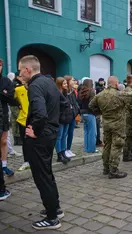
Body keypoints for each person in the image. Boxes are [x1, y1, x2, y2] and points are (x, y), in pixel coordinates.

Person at [18, 55, 63, 230]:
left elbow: (40, 113)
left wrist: (35, 131)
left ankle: (52, 218)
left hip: (41, 137)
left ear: (28, 69)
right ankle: (55, 209)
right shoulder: (49, 82)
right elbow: (64, 104)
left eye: (21, 70)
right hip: (50, 135)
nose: (20, 74)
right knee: (47, 173)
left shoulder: (35, 86)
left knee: (42, 176)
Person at [89, 76, 131, 179]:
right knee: (116, 146)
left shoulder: (100, 95)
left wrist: (101, 112)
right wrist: (123, 89)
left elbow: (91, 105)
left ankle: (106, 168)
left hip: (107, 124)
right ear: (116, 84)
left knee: (107, 145)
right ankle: (113, 170)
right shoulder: (120, 94)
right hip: (118, 125)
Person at [0, 58, 17, 176]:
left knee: (4, 141)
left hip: (3, 115)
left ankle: (4, 165)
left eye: (0, 65)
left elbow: (11, 98)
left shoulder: (6, 81)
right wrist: (3, 93)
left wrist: (4, 94)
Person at [13, 72, 30, 171]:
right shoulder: (18, 89)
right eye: (20, 76)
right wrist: (18, 105)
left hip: (35, 119)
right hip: (23, 119)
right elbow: (12, 99)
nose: (22, 78)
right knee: (25, 142)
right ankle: (26, 161)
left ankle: (35, 160)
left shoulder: (35, 87)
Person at [55, 78, 71, 164]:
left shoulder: (66, 93)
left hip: (67, 117)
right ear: (60, 84)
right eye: (64, 84)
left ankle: (63, 152)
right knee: (59, 136)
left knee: (64, 135)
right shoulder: (57, 94)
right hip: (60, 118)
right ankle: (59, 154)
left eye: (66, 83)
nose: (66, 85)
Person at [79, 79, 97, 153]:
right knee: (92, 132)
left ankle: (87, 148)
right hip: (90, 113)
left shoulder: (81, 91)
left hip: (83, 113)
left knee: (86, 131)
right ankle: (91, 149)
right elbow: (92, 104)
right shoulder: (91, 91)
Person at [123, 74, 132, 162]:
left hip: (128, 117)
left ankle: (128, 153)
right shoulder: (130, 92)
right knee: (128, 137)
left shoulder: (128, 90)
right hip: (129, 118)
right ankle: (126, 155)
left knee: (129, 137)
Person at [64, 76, 79, 158]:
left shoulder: (73, 91)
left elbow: (75, 103)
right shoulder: (64, 92)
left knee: (71, 133)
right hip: (66, 116)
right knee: (64, 133)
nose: (74, 81)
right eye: (73, 80)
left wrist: (76, 111)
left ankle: (68, 149)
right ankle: (64, 150)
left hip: (72, 115)